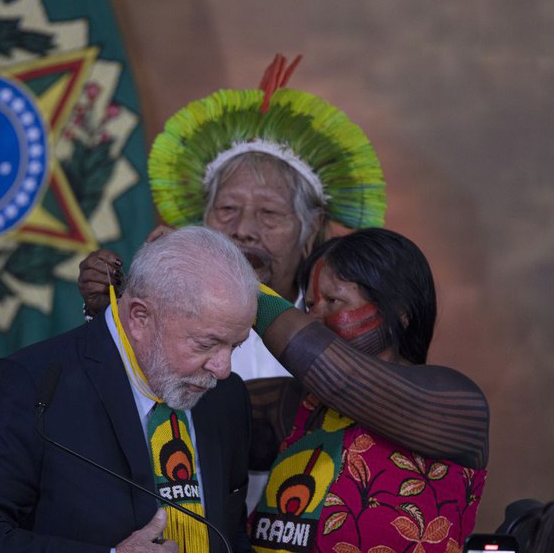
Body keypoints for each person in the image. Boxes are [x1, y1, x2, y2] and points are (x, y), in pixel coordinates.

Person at [77, 54, 387, 511]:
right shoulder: (165, 313)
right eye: (227, 210)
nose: (243, 230)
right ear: (203, 218)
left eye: (270, 214)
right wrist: (109, 313)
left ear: (311, 228)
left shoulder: (341, 322)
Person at [0, 226, 260, 553]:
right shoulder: (26, 388)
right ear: (140, 317)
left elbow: (230, 537)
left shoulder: (226, 397)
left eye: (235, 345)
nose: (223, 368)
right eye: (206, 344)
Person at [247, 228, 489, 552]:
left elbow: (340, 379)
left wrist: (237, 283)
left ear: (400, 312)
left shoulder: (456, 404)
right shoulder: (292, 404)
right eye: (310, 305)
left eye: (333, 301)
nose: (312, 318)